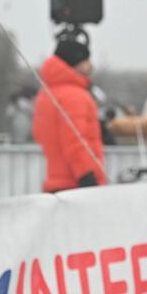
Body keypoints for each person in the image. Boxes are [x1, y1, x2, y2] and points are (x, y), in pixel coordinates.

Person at [32, 27, 106, 192]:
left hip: (56, 179)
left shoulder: (47, 93)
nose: (91, 66)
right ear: (75, 62)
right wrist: (87, 175)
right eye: (86, 60)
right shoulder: (74, 96)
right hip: (75, 183)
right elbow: (75, 140)